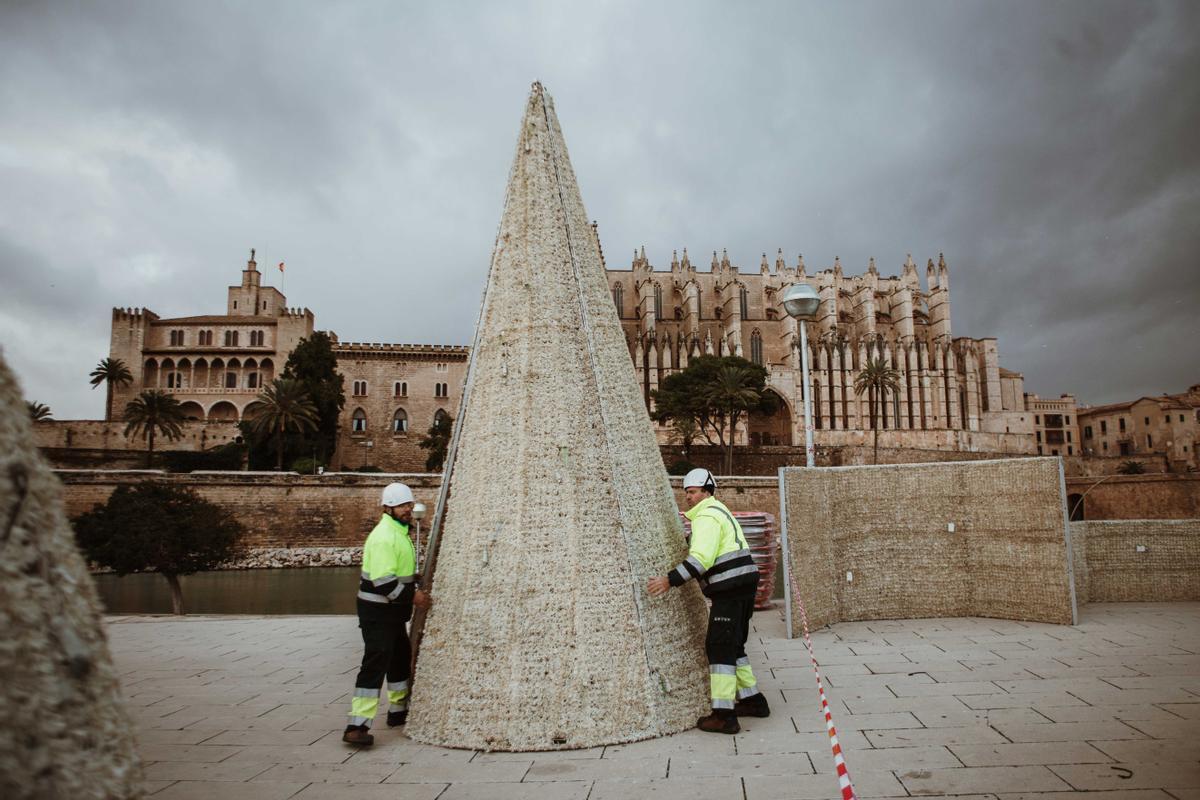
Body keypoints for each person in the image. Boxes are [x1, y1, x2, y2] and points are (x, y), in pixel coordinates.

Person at [647, 468, 770, 734]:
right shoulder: (720, 512)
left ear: (706, 492)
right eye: (686, 493)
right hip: (743, 585)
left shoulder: (706, 516)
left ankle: (724, 715)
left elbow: (700, 560)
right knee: (734, 644)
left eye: (692, 493)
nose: (688, 498)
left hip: (730, 589)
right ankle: (753, 701)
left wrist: (669, 580)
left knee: (719, 648)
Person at [343, 482, 432, 746]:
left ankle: (397, 710)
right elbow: (383, 581)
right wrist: (414, 596)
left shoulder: (399, 531)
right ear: (388, 508)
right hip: (377, 611)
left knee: (399, 659)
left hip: (391, 612)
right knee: (376, 662)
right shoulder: (384, 536)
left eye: (408, 505)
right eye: (402, 506)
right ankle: (357, 725)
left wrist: (412, 579)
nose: (407, 510)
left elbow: (397, 572)